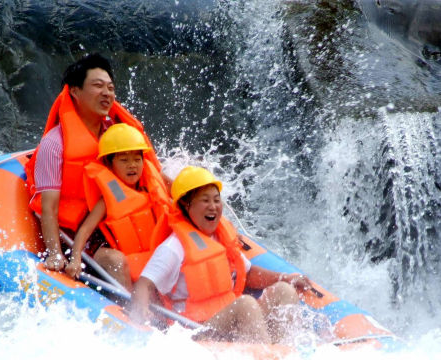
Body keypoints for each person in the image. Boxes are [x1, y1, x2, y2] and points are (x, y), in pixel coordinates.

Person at [129, 166, 312, 343]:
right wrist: (141, 312)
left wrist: (285, 278)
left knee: (284, 290)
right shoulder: (174, 247)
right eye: (205, 200)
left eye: (216, 200)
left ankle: (284, 353)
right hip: (195, 332)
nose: (213, 207)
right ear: (186, 204)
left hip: (230, 322)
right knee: (246, 305)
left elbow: (248, 273)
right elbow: (144, 284)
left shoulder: (221, 237)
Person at [24, 53, 162, 273]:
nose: (107, 93)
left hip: (119, 220)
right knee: (116, 261)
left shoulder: (118, 134)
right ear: (75, 92)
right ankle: (127, 309)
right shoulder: (54, 145)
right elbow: (49, 207)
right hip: (81, 236)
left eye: (110, 87)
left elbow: (151, 174)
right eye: (98, 86)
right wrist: (55, 253)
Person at [66, 123, 171, 289]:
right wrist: (75, 258)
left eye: (137, 159)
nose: (132, 165)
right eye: (124, 160)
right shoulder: (107, 199)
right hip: (108, 255)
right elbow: (85, 230)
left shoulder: (152, 187)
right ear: (110, 164)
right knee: (117, 261)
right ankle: (127, 310)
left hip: (142, 255)